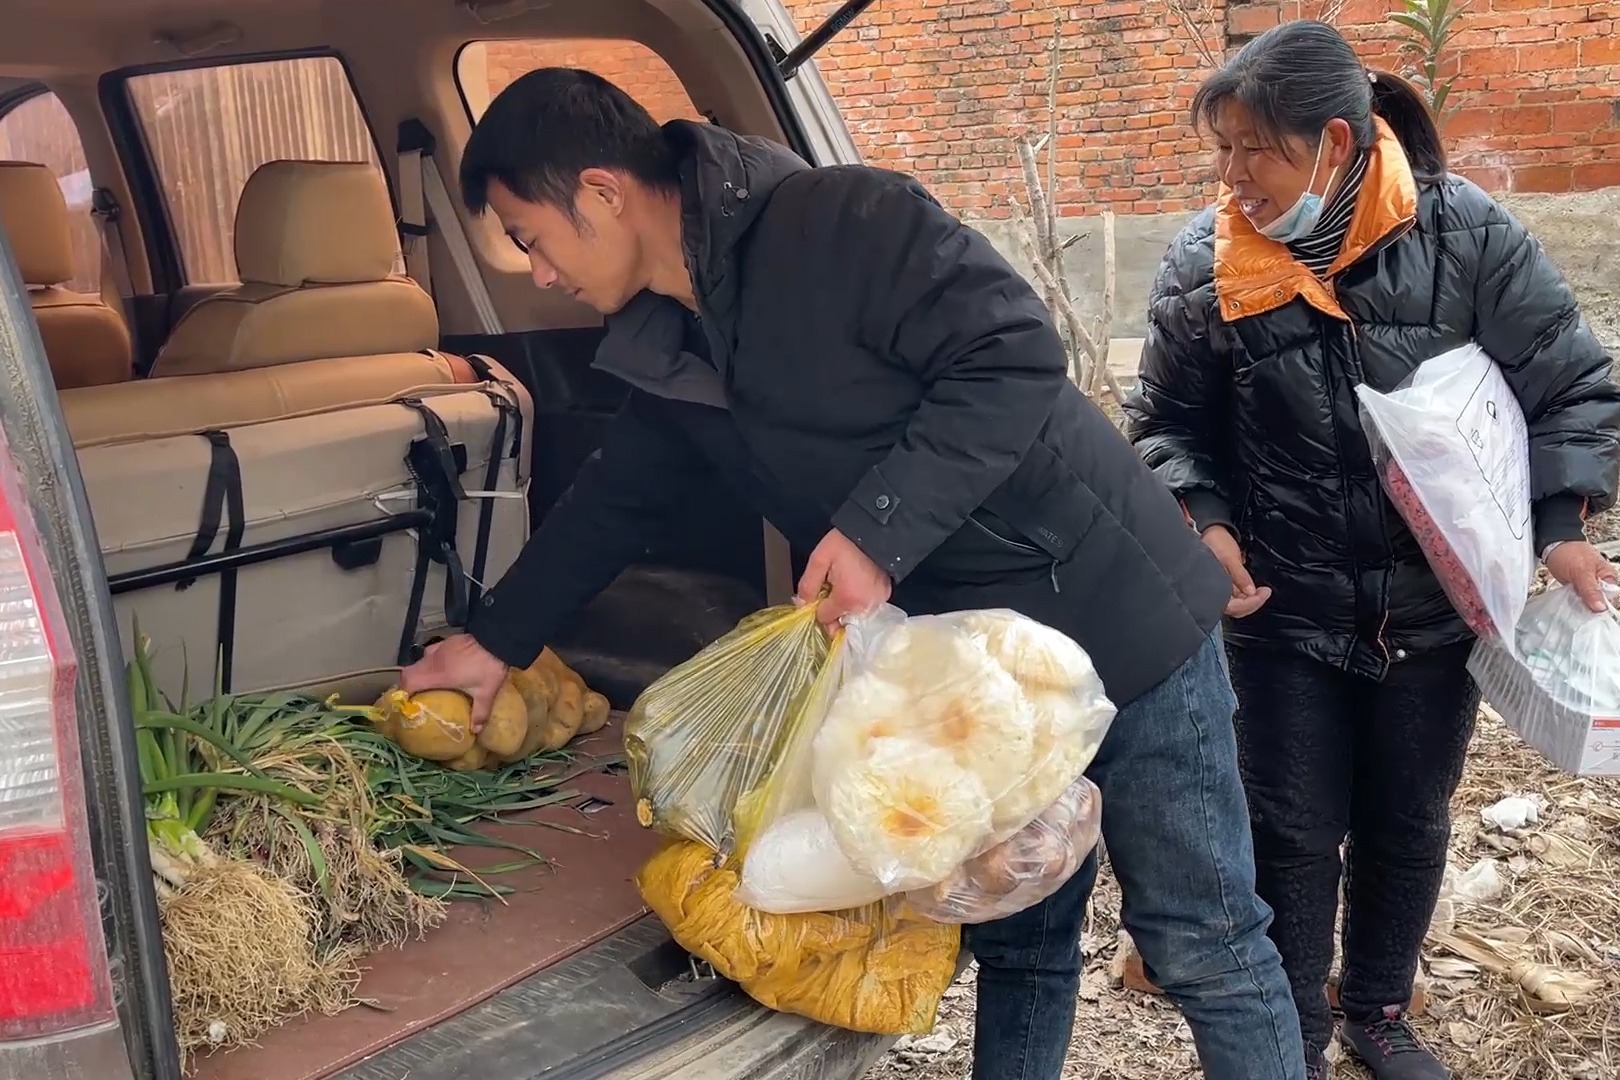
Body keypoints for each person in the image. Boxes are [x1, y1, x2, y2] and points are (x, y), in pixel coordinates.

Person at [400, 67, 1307, 1080]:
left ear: (604, 193)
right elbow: (618, 499)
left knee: (1203, 941)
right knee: (1019, 943)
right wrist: (495, 640)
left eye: (531, 237)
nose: (535, 272)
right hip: (963, 681)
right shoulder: (667, 335)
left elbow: (1010, 356)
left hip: (1110, 616)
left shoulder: (840, 223)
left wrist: (876, 533)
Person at [1124, 21, 1620, 1080]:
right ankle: (1293, 1025)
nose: (1233, 176)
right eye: (1221, 150)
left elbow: (1569, 381)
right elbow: (1166, 420)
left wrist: (1566, 524)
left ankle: (1380, 1011)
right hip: (1284, 611)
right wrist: (1203, 518)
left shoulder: (1464, 234)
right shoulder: (1207, 263)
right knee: (1292, 832)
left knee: (1406, 819)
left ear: (1335, 143)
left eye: (1253, 148)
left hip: (1434, 609)